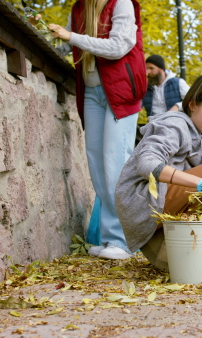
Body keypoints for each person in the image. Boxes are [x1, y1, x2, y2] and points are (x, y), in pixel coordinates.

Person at [39, 0, 147, 259]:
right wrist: (47, 33)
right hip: (91, 93)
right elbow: (66, 45)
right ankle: (111, 238)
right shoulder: (78, 9)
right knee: (98, 168)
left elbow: (120, 46)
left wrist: (73, 36)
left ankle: (124, 242)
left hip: (121, 93)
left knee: (115, 165)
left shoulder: (121, 4)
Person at [115, 73, 202, 270]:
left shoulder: (197, 136)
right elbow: (146, 164)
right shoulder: (174, 124)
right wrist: (200, 183)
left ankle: (176, 251)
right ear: (193, 104)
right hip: (144, 205)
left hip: (159, 234)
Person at [136, 54, 190, 143]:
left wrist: (177, 106)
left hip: (177, 128)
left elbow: (193, 101)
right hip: (155, 130)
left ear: (161, 69)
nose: (147, 72)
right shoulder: (146, 88)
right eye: (146, 69)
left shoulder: (178, 83)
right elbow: (136, 106)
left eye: (151, 68)